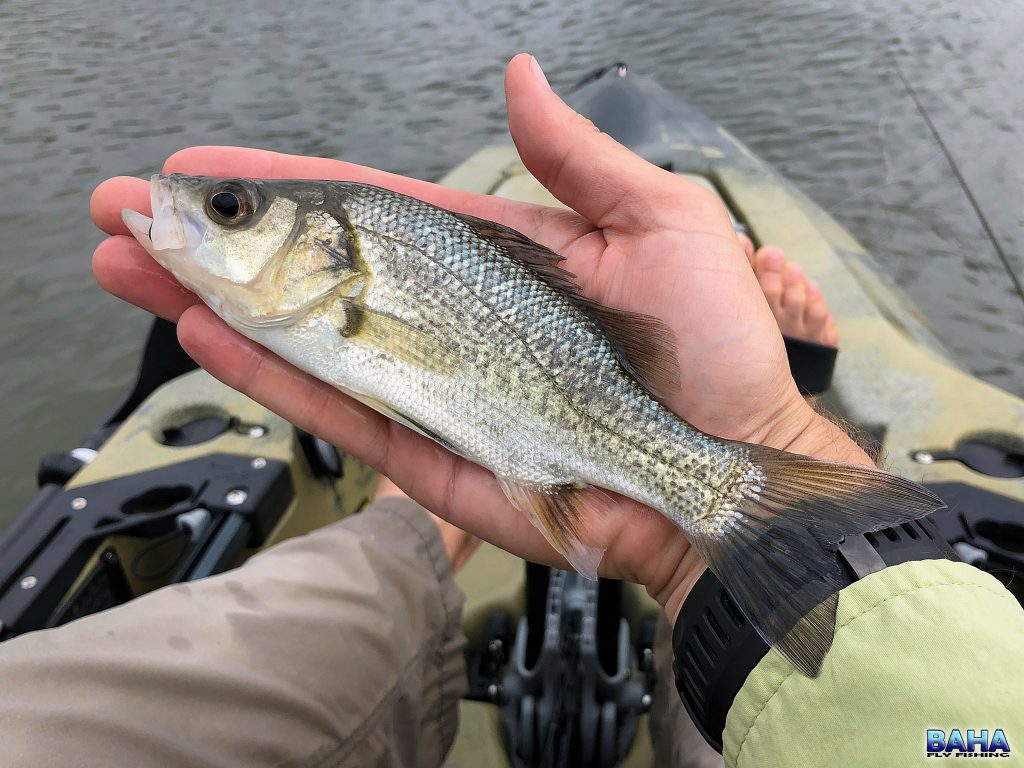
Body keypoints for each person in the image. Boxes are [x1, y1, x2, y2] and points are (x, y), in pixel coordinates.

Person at [0, 54, 1017, 767]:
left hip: (561, 421)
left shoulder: (340, 285)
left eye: (233, 211)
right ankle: (799, 425)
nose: (206, 210)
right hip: (536, 422)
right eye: (231, 206)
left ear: (326, 257)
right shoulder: (313, 295)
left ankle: (419, 523)